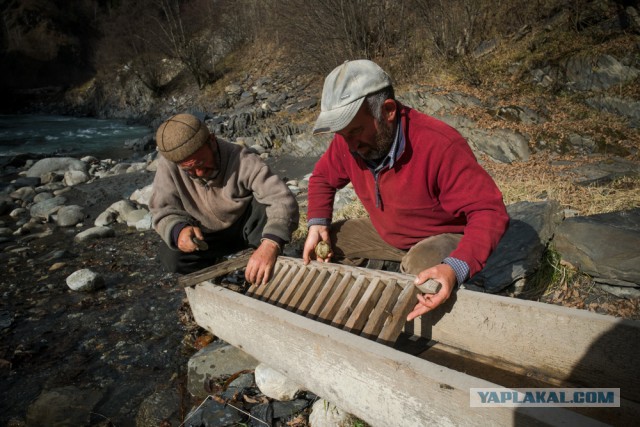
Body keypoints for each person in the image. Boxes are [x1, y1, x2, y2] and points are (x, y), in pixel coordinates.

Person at [302, 60, 509, 320]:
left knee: (421, 267)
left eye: (355, 131)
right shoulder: (348, 142)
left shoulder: (439, 145)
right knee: (332, 239)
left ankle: (416, 322)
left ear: (387, 110)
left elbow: (489, 211)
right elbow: (322, 177)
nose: (351, 145)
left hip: (441, 235)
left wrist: (455, 267)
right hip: (389, 232)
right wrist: (317, 223)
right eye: (343, 135)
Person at [149, 113, 299, 285]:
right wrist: (178, 230)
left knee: (265, 209)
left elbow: (282, 199)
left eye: (202, 163)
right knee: (171, 256)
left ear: (211, 140)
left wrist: (271, 243)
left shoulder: (242, 159)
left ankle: (262, 262)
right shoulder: (169, 166)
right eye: (189, 170)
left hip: (245, 229)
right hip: (204, 237)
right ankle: (214, 272)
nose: (199, 173)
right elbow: (162, 209)